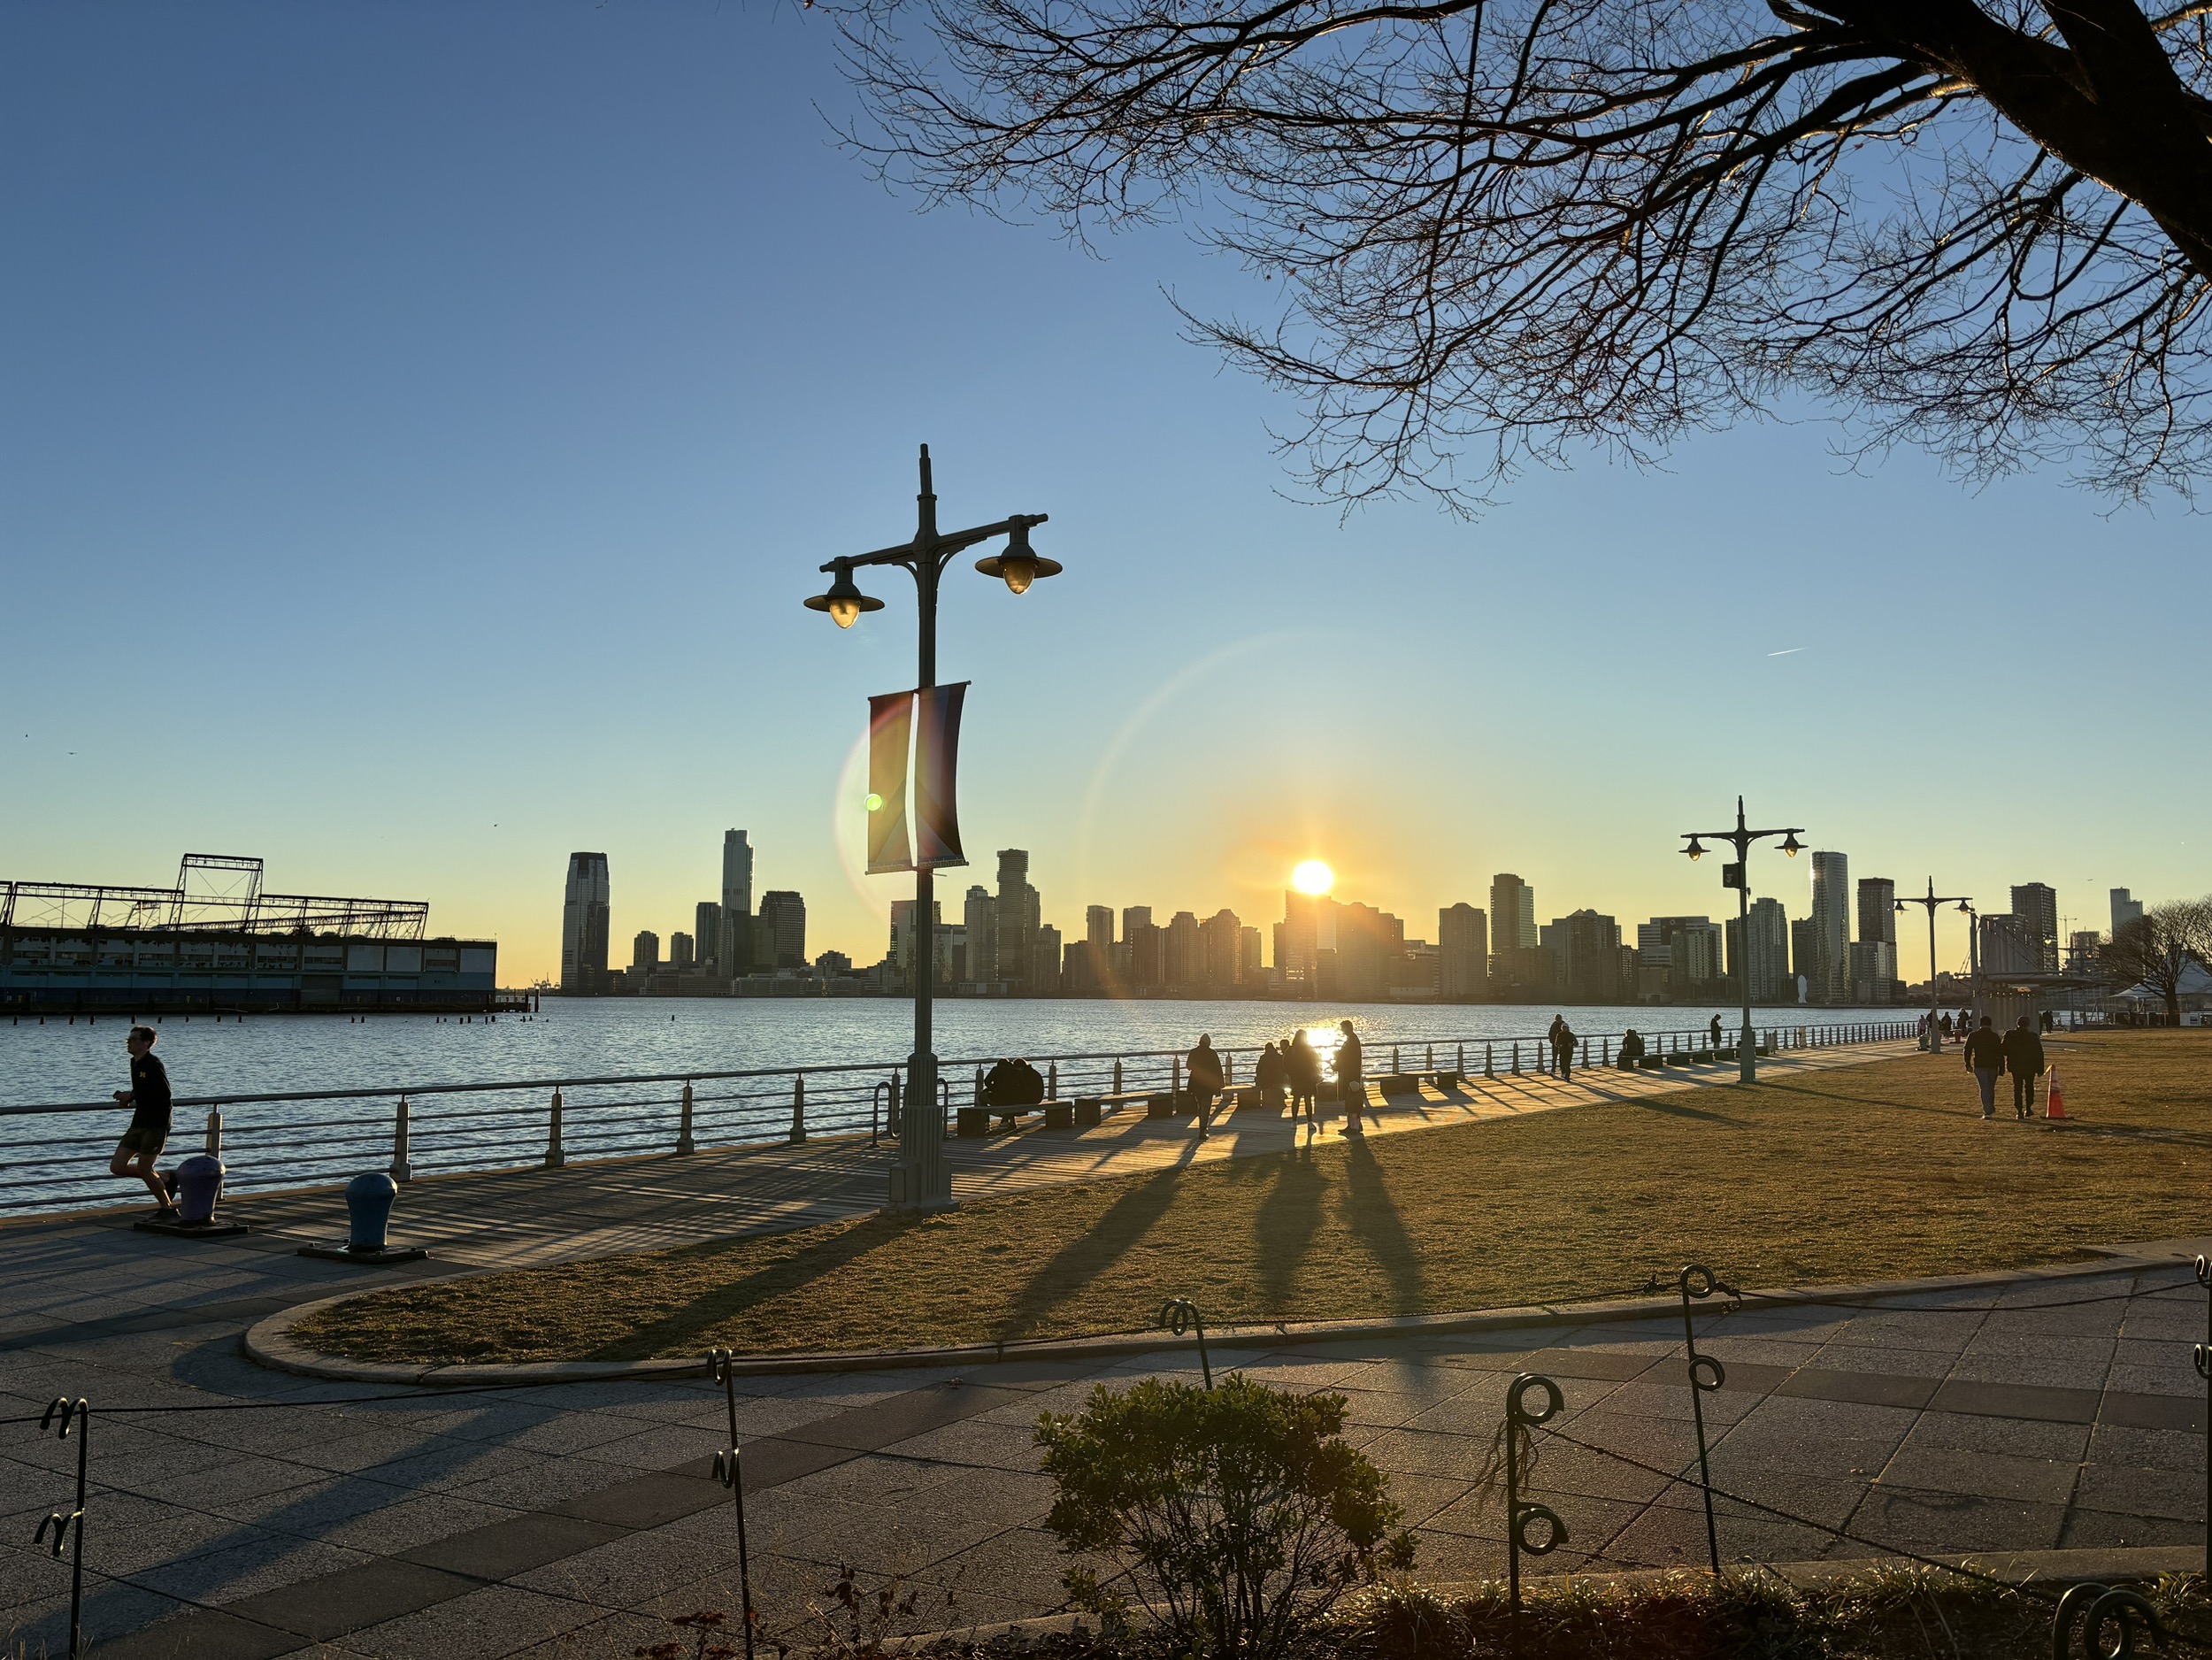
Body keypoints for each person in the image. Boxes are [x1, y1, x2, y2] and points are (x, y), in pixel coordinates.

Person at [111, 1026, 178, 1216]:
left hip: (156, 1123)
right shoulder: (135, 1063)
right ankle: (165, 1178)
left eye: (133, 1039)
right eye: (128, 1039)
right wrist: (129, 1098)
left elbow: (164, 1094)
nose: (128, 1042)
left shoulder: (153, 1064)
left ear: (146, 1043)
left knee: (145, 1168)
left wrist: (131, 1094)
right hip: (139, 1122)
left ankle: (168, 1209)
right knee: (117, 1167)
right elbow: (144, 1090)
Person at [2002, 1016, 2047, 1119]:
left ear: (2017, 1023)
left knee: (2017, 1088)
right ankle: (2028, 1107)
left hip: (2015, 1065)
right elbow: (2039, 1054)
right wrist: (2040, 1069)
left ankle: (2019, 1110)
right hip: (2029, 1066)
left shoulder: (2010, 1035)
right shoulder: (2033, 1036)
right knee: (2029, 1087)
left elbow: (2004, 1050)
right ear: (2028, 1024)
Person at [1962, 1016, 2003, 1118]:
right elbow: (2000, 1053)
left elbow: (1967, 1050)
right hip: (1993, 1065)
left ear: (1980, 1024)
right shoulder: (1994, 1036)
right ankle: (1990, 1107)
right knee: (1990, 1087)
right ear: (1990, 1024)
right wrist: (2001, 1067)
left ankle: (1988, 1110)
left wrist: (1968, 1064)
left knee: (1984, 1088)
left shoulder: (1974, 1035)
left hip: (1980, 1065)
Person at [1333, 1019, 1365, 1133]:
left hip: (1350, 1075)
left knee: (1353, 1101)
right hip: (1348, 1074)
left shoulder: (1352, 1041)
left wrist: (1338, 1056)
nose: (1342, 1030)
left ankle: (1355, 1126)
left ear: (1348, 1027)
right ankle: (1352, 1125)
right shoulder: (1351, 1039)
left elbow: (1347, 1057)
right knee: (1349, 1101)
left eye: (1343, 1028)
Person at [1185, 1034, 1225, 1119]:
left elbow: (1188, 1066)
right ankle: (1203, 1127)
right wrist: (1220, 1084)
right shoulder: (1212, 1053)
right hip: (1209, 1084)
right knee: (1206, 1105)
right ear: (1209, 1043)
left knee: (1200, 1103)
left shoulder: (1193, 1052)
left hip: (1196, 1083)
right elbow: (1218, 1069)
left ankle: (1201, 1117)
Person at [1287, 1029, 1323, 1125]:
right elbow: (1316, 1060)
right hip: (1308, 1078)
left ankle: (1294, 1121)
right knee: (1308, 1100)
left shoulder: (1291, 1049)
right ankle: (1309, 1121)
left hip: (1297, 1078)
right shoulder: (1309, 1048)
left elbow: (1285, 1063)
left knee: (1296, 1100)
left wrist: (1291, 1073)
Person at [1255, 1041, 1287, 1112]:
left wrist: (1259, 1076)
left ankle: (1258, 1099)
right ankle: (1281, 1095)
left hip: (1266, 1081)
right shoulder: (1279, 1057)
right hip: (1279, 1080)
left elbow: (1258, 1069)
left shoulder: (1263, 1057)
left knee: (1257, 1080)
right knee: (1280, 1080)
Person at [1550, 1015, 1577, 1082]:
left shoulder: (1570, 1034)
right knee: (1557, 1059)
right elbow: (1550, 1033)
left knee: (1567, 1063)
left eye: (1566, 1028)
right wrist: (1554, 1042)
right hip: (1560, 1048)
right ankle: (1554, 1071)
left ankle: (1566, 1075)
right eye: (1564, 1028)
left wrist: (1572, 1044)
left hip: (1568, 1050)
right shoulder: (1555, 1027)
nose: (1564, 1029)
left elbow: (1576, 1042)